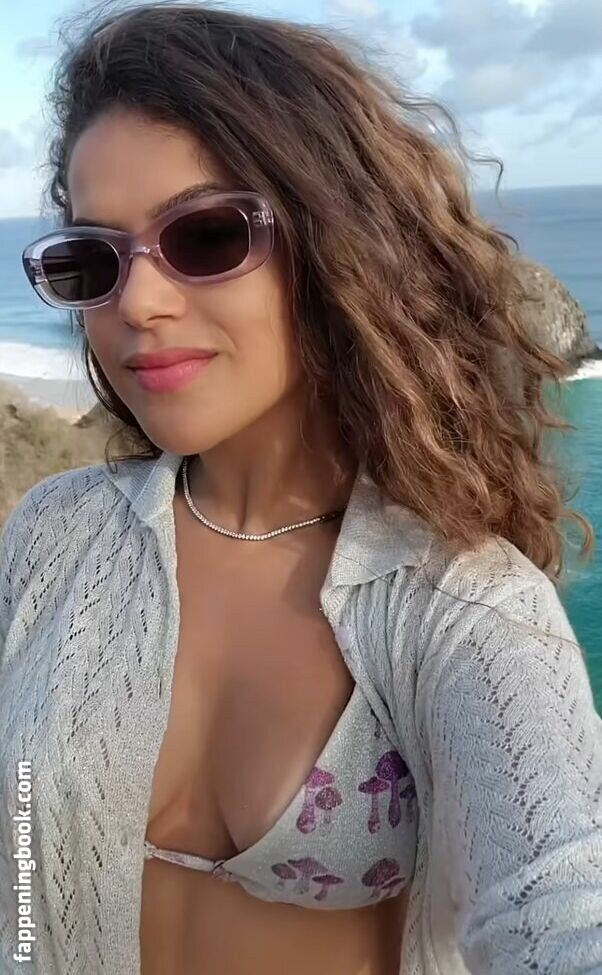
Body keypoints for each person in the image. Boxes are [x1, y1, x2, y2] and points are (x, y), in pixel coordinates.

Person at [2, 2, 601, 973]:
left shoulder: (460, 612)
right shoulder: (53, 535)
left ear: (336, 245)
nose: (137, 303)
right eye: (92, 259)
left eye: (205, 236)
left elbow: (564, 906)